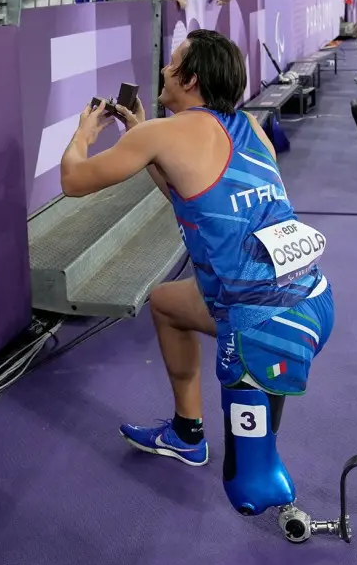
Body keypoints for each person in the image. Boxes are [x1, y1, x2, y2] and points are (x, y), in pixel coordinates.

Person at [59, 29, 334, 518]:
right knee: (166, 303)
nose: (163, 70)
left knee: (249, 491)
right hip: (313, 299)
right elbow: (195, 201)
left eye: (171, 64)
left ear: (189, 78)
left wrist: (84, 133)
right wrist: (144, 142)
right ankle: (188, 434)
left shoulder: (164, 133)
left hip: (262, 326)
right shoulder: (248, 125)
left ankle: (277, 496)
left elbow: (73, 180)